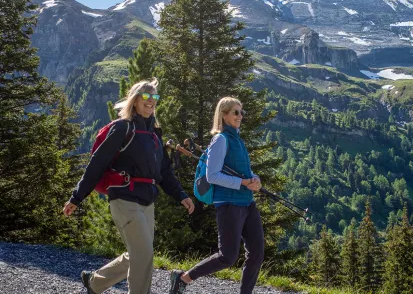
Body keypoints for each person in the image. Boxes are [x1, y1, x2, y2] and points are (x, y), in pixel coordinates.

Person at [62, 78, 195, 294]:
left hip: (147, 201)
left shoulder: (154, 135)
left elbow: (164, 172)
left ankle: (94, 283)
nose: (151, 101)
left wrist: (181, 195)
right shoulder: (123, 128)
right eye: (146, 96)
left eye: (155, 97)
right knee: (144, 255)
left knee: (139, 253)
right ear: (134, 100)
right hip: (124, 198)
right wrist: (77, 197)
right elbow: (96, 164)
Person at [169, 97, 264, 294]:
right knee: (227, 257)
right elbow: (212, 176)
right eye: (235, 112)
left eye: (241, 112)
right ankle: (183, 279)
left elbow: (244, 171)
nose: (240, 116)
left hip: (247, 203)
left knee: (256, 253)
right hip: (228, 203)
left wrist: (255, 179)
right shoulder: (221, 140)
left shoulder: (237, 140)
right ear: (223, 114)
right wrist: (242, 183)